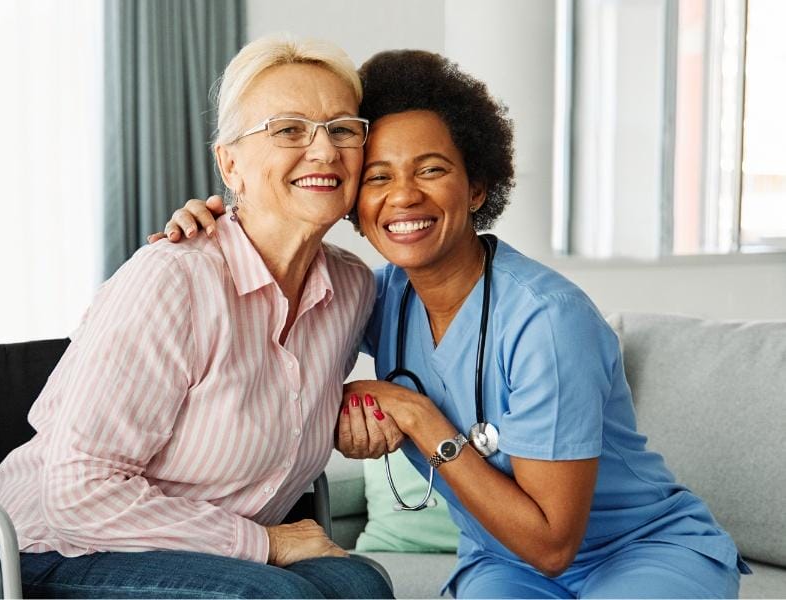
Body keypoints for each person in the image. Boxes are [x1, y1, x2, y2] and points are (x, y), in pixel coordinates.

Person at [156, 49, 748, 598]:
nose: (403, 196)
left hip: (639, 550)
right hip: (502, 560)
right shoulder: (373, 295)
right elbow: (272, 317)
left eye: (432, 169)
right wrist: (213, 226)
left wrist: (414, 415)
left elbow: (551, 544)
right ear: (355, 203)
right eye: (379, 177)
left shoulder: (546, 321)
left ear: (477, 188)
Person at [0, 34, 393, 599]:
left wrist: (366, 404)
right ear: (230, 163)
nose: (323, 150)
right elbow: (77, 493)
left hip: (212, 552)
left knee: (359, 583)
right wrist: (265, 545)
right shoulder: (173, 278)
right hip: (51, 551)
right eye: (289, 129)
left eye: (343, 130)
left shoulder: (352, 287)